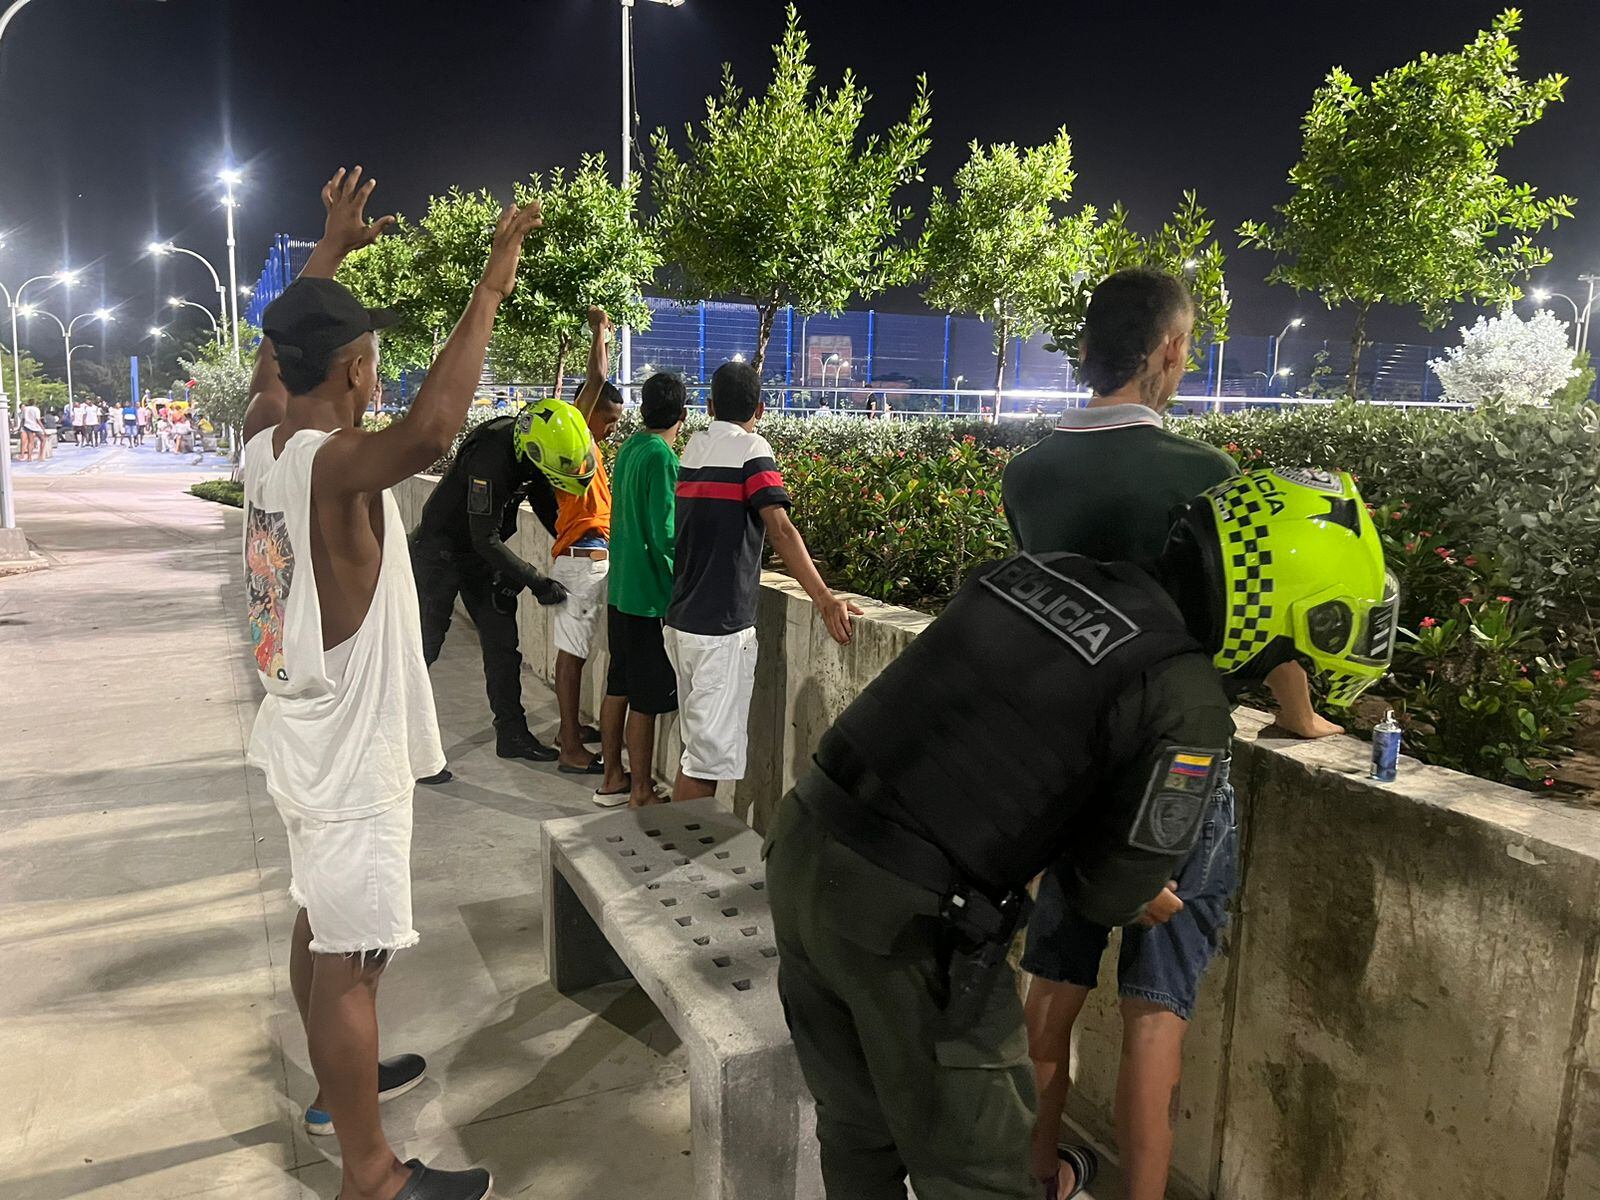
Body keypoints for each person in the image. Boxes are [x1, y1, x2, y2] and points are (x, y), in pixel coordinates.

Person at [766, 462, 1396, 1200]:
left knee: (856, 1133)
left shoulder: (1039, 572)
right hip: (907, 925)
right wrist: (1146, 895)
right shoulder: (1186, 701)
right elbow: (1110, 892)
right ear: (1275, 606)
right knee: (977, 1176)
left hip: (804, 844)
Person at [1002, 268, 1346, 1199]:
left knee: (1054, 993)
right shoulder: (1206, 476)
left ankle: (1038, 1177)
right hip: (1180, 774)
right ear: (1165, 351)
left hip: (1073, 775)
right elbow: (1261, 612)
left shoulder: (1026, 475)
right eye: (1185, 345)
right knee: (1158, 1015)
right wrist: (1301, 715)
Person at [240, 165, 538, 1200]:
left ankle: (340, 1091)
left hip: (299, 729)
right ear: (359, 369)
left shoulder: (262, 443)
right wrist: (490, 284)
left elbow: (276, 356)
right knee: (352, 957)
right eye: (372, 358)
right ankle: (372, 1175)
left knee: (323, 925)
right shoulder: (330, 463)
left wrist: (328, 248)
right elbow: (432, 435)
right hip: (346, 752)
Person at [665, 361, 859, 803]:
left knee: (695, 750)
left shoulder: (694, 447)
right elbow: (781, 528)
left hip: (682, 621)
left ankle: (679, 849)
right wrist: (825, 597)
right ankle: (682, 861)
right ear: (762, 408)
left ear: (710, 406)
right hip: (719, 628)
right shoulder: (752, 449)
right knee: (704, 762)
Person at [408, 371, 590, 769]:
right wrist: (536, 580)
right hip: (438, 556)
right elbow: (483, 537)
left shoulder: (530, 450)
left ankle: (511, 734)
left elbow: (545, 503)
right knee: (423, 651)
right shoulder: (492, 454)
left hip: (477, 556)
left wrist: (573, 541)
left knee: (502, 646)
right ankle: (401, 749)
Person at [549, 306, 628, 792]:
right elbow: (597, 374)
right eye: (611, 417)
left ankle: (571, 732)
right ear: (590, 410)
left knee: (574, 651)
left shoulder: (589, 448)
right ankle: (571, 747)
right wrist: (599, 329)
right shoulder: (577, 436)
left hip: (585, 557)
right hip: (583, 560)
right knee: (573, 654)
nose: (613, 427)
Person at [602, 369, 689, 807]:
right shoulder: (662, 457)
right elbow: (665, 534)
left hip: (620, 589)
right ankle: (640, 790)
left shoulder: (631, 448)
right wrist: (684, 582)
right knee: (647, 698)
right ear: (684, 414)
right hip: (649, 596)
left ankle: (612, 776)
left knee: (618, 684)